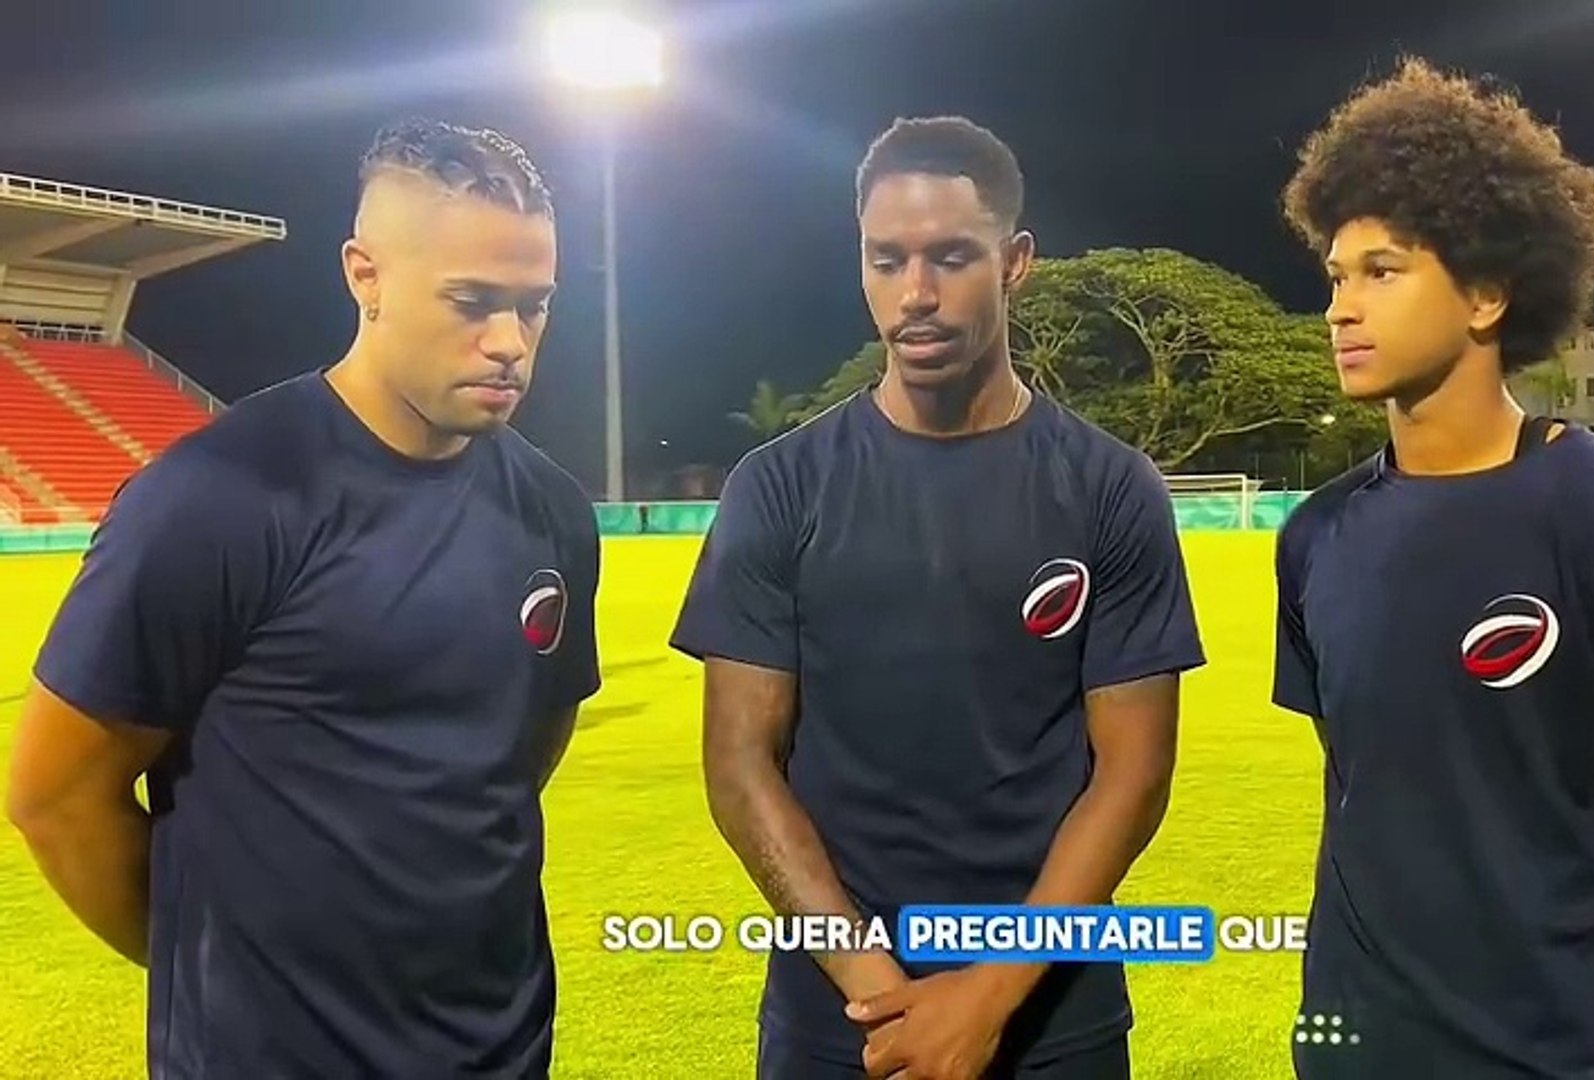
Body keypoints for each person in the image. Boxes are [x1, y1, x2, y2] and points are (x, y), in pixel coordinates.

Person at [5, 118, 601, 1077]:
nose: (509, 342)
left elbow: (513, 765)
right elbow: (57, 796)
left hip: (502, 1048)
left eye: (534, 306)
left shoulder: (554, 514)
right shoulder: (217, 499)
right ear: (365, 274)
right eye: (472, 302)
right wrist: (220, 975)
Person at [1272, 58, 1594, 1079]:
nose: (1341, 307)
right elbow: (1370, 787)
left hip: (1568, 1056)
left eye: (1383, 270)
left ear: (1489, 295)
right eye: (1335, 275)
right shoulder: (1317, 534)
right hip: (1359, 1044)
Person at [670, 115, 1204, 1080]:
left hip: (1053, 1020)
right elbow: (741, 763)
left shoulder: (1110, 488)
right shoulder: (780, 485)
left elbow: (1134, 775)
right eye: (887, 260)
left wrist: (987, 995)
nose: (914, 294)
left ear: (1016, 262)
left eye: (952, 257)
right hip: (840, 1019)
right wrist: (884, 997)